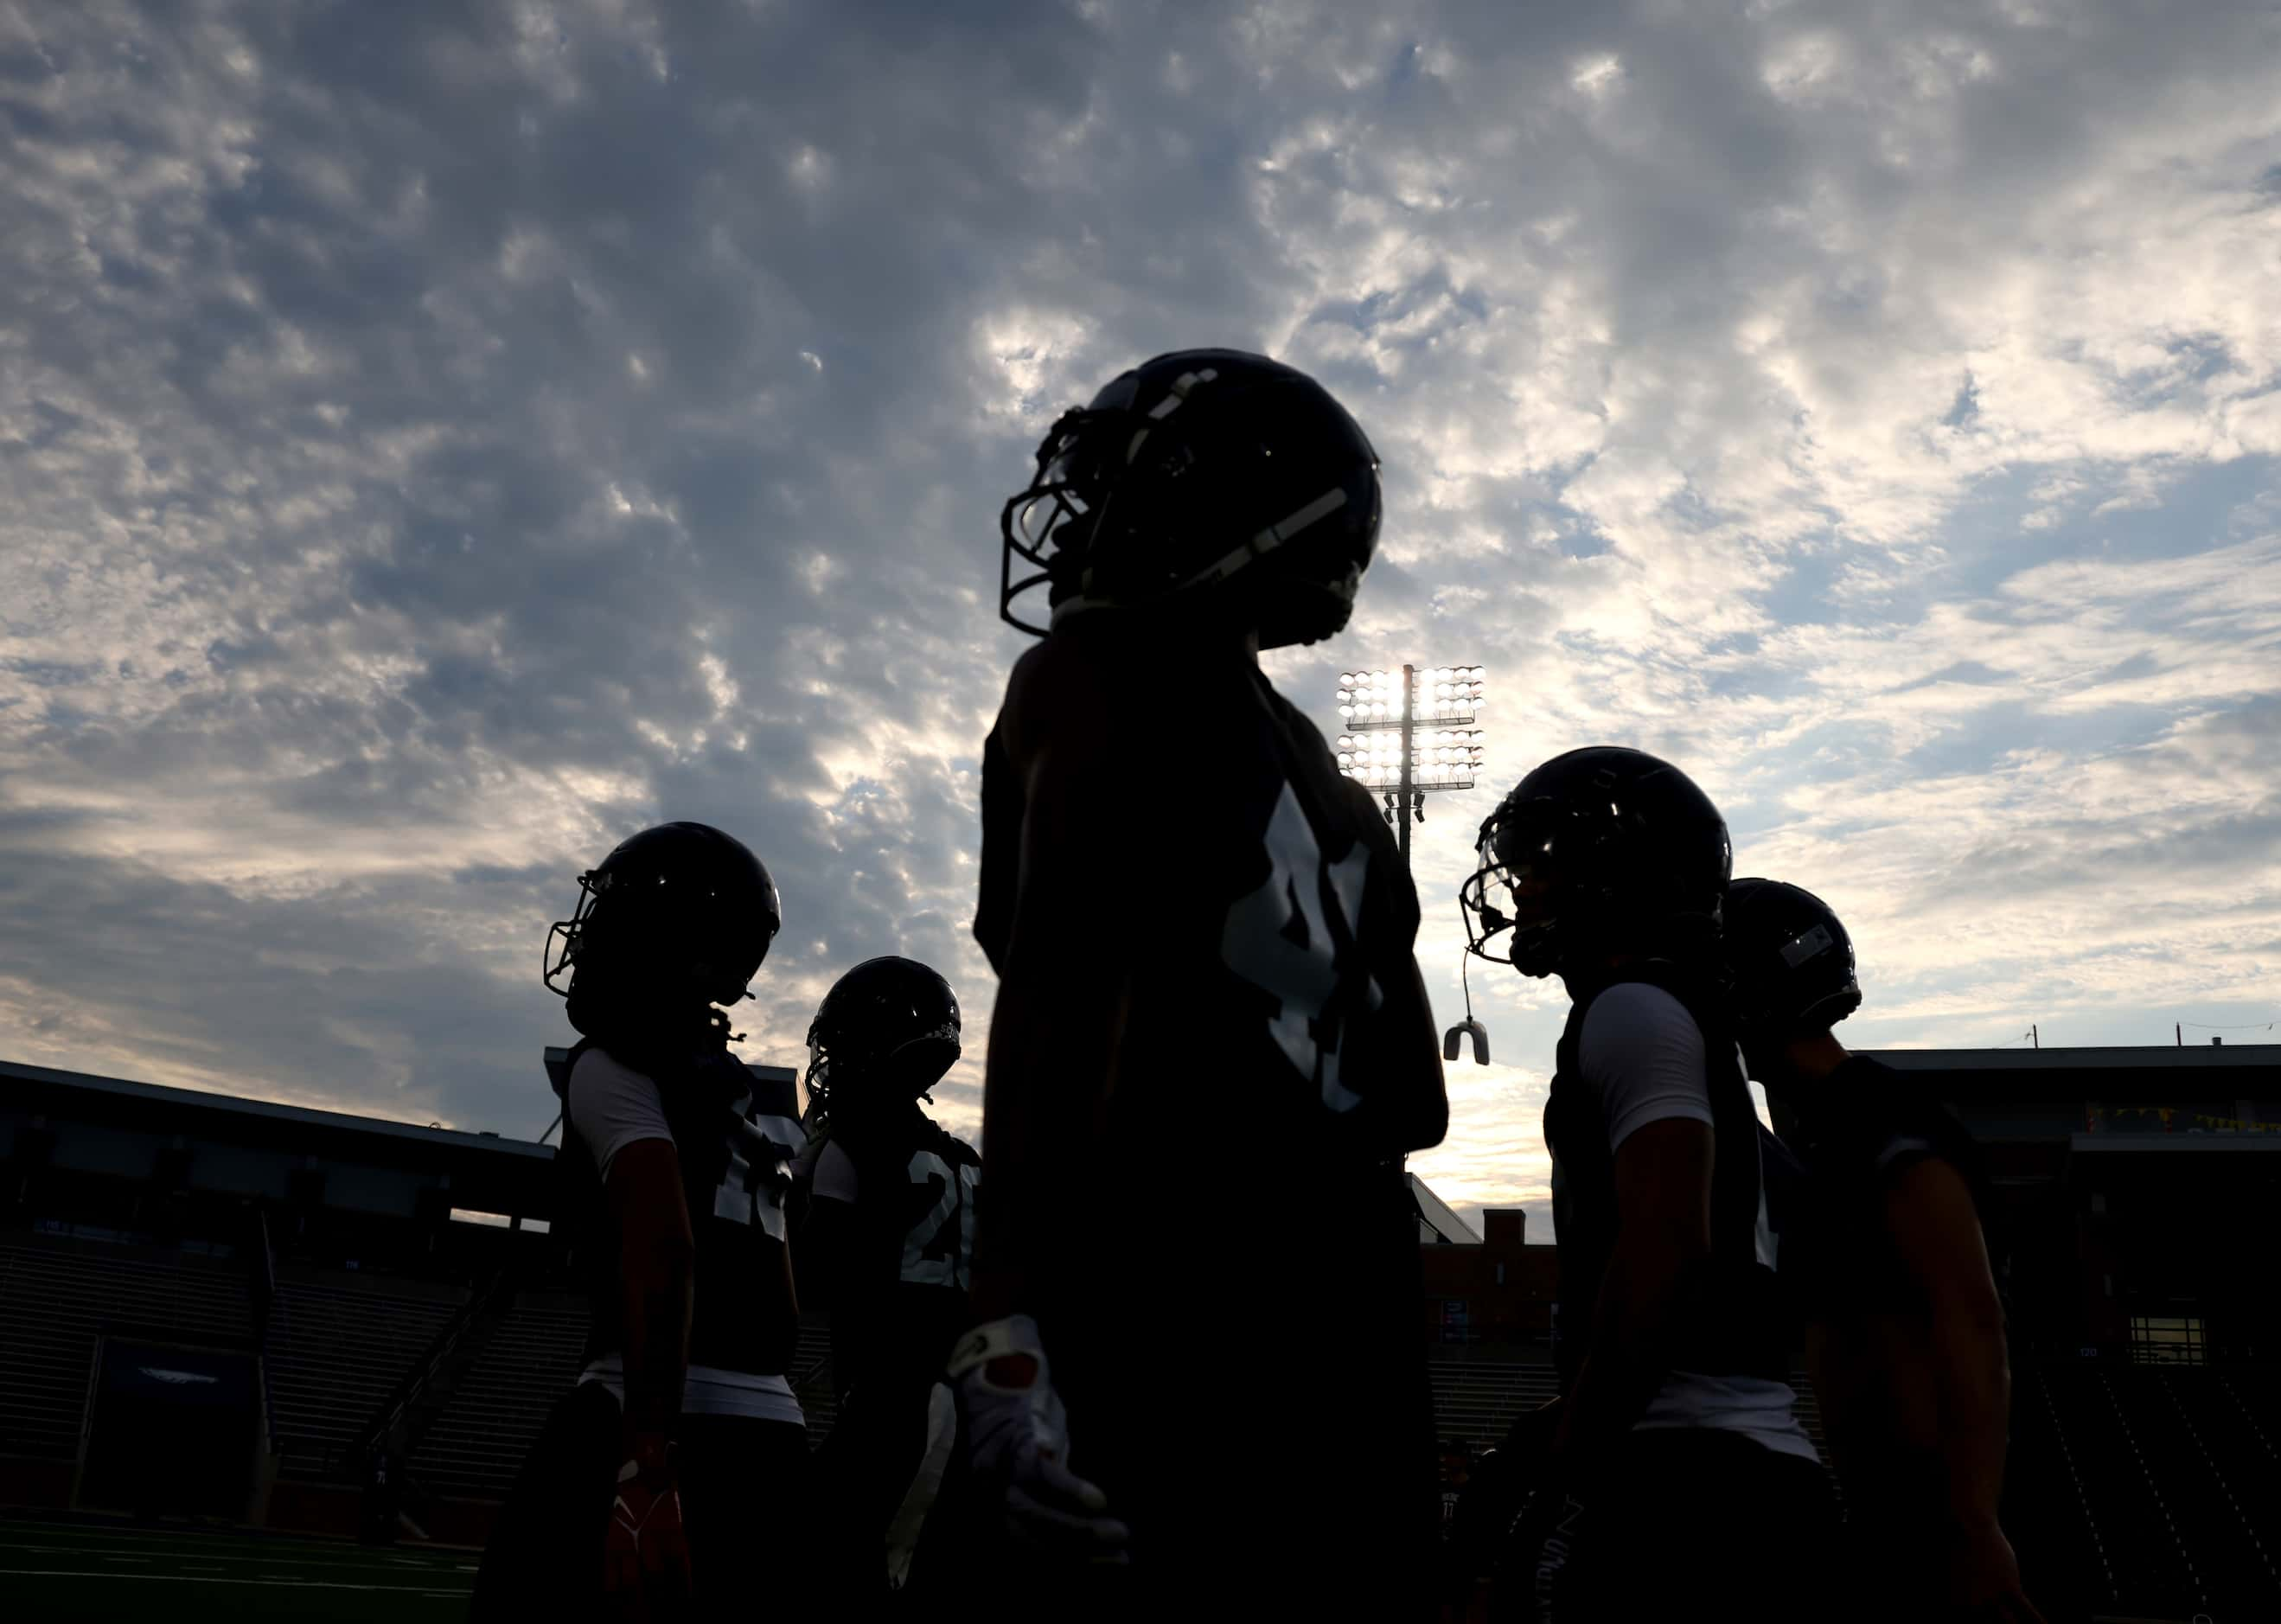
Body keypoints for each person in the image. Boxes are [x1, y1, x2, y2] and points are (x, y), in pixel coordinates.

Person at [966, 348, 1450, 1614]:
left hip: (1161, 1289)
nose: (1087, 515)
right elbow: (1413, 1101)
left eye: (1133, 482)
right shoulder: (1346, 803)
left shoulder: (1086, 679)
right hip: (1351, 1323)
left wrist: (1006, 1310)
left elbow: (1063, 980)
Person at [1460, 748, 1831, 1621]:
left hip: (1684, 1489)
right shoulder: (1690, 1031)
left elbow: (1666, 1252)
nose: (1521, 890)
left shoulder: (1632, 1010)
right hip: (1740, 1468)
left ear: (1609, 875)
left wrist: (1570, 1451)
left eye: (1541, 866)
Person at [476, 822, 808, 1621]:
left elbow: (665, 1248)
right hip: (776, 1437)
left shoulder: (614, 1064)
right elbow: (786, 1295)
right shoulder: (745, 1098)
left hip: (656, 1412)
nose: (592, 937)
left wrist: (646, 1462)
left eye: (615, 916)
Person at [1724, 877, 2041, 1623]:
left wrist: (1972, 1523)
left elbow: (1970, 1316)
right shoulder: (1817, 1131)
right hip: (1900, 1515)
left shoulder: (1872, 1118)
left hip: (1947, 1522)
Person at [796, 956, 979, 1602]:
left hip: (891, 1404)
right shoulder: (966, 1162)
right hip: (969, 1406)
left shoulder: (852, 1143)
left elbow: (815, 1269)